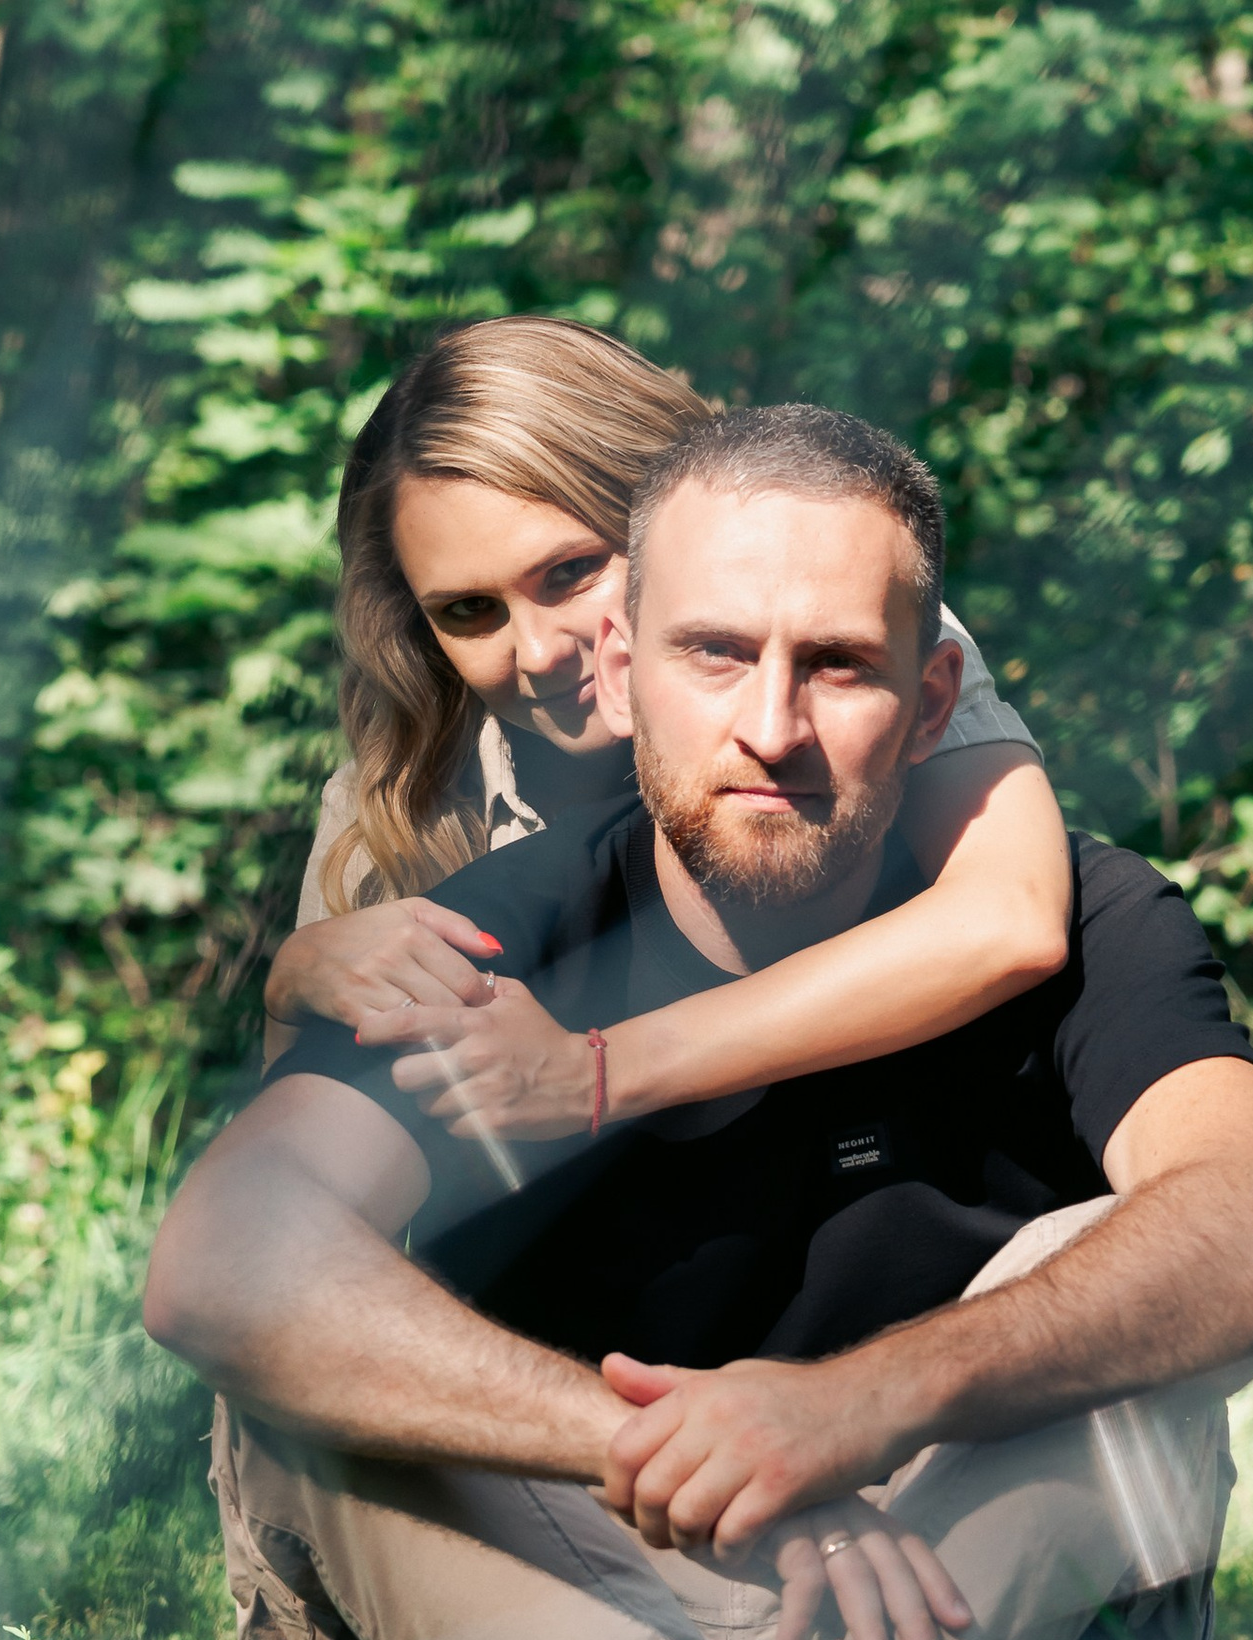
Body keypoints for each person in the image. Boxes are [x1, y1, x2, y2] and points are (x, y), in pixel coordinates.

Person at [147, 399, 1253, 1640]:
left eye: (836, 666)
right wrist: (700, 1462)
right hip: (621, 1584)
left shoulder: (1085, 919)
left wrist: (849, 1411)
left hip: (975, 1607)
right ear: (623, 667)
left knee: (1119, 1266)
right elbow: (226, 1259)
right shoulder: (493, 940)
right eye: (713, 653)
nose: (770, 729)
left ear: (936, 696)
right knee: (317, 1360)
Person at [262, 318, 1074, 1147]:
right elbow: (297, 1160)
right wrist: (293, 990)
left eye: (571, 571)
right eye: (469, 610)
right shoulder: (389, 800)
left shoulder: (853, 647)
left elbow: (1010, 919)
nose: (538, 654)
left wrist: (594, 1073)